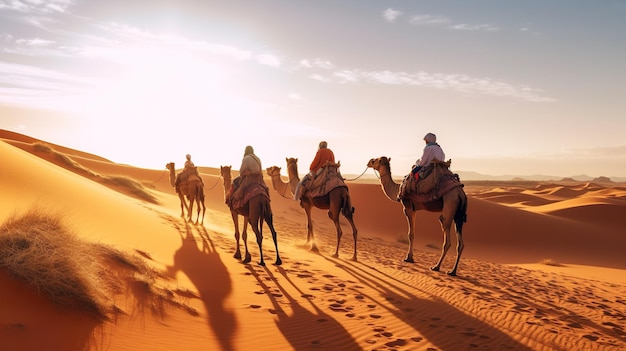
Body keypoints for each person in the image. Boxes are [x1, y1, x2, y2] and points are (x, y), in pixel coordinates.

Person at [398, 133, 445, 200]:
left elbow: (422, 162)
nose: (425, 142)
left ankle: (403, 195)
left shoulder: (428, 148)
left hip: (429, 167)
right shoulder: (440, 149)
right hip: (441, 168)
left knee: (410, 178)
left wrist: (414, 170)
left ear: (428, 140)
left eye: (426, 141)